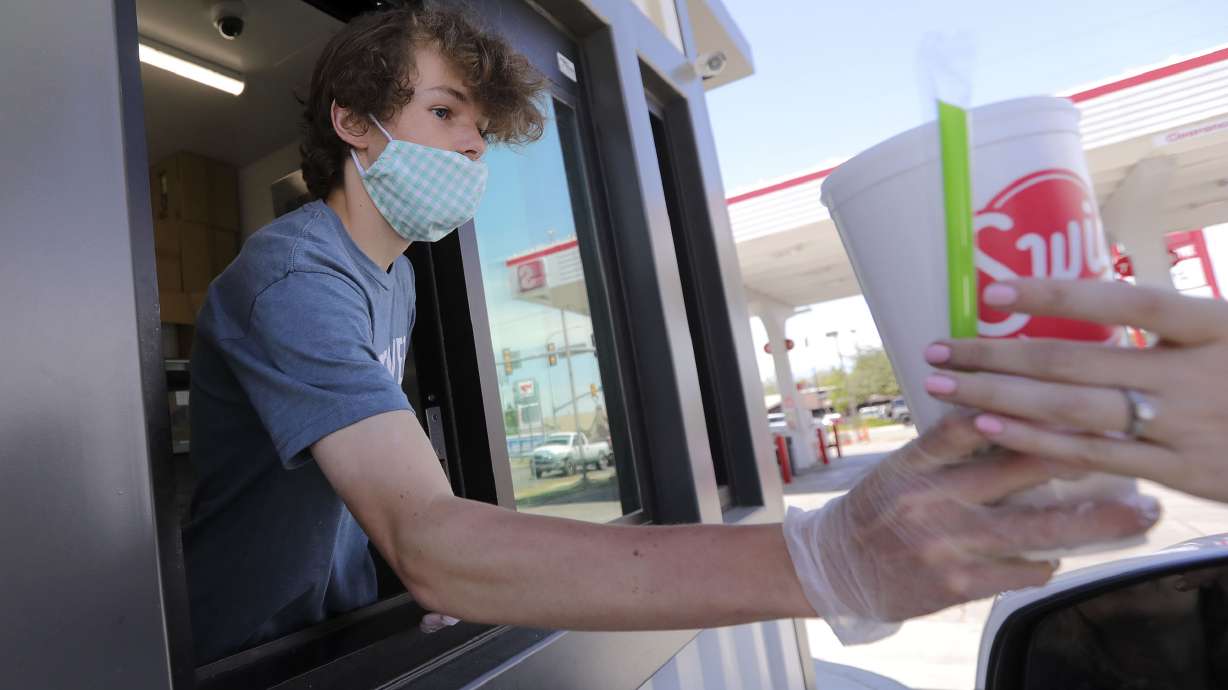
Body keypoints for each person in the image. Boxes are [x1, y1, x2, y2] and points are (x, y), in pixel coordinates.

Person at [182, 3, 1198, 665]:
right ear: (356, 126)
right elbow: (428, 535)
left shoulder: (389, 279)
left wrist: (403, 579)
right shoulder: (294, 277)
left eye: (480, 131)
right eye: (444, 111)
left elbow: (371, 500)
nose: (467, 146)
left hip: (335, 628)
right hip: (250, 652)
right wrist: (822, 560)